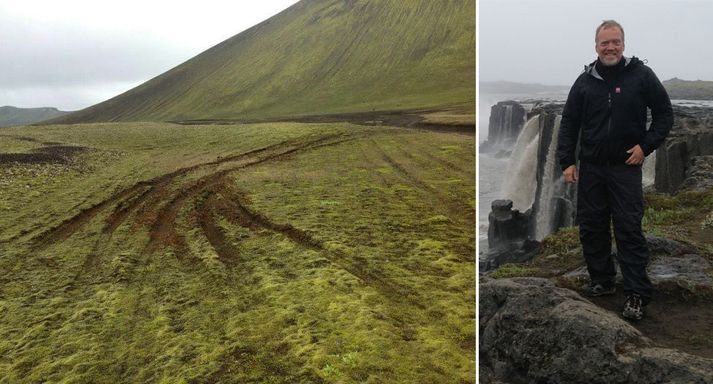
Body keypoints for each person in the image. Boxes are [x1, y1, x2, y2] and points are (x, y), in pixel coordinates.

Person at [556, 20, 673, 321]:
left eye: (615, 42)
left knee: (628, 229)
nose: (610, 47)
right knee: (591, 226)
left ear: (623, 44)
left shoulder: (642, 76)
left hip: (625, 167)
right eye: (604, 43)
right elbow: (569, 123)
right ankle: (602, 281)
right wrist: (567, 161)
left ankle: (636, 294)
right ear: (596, 46)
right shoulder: (584, 81)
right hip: (592, 167)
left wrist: (645, 147)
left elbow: (664, 115)